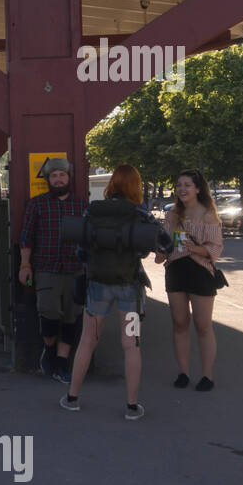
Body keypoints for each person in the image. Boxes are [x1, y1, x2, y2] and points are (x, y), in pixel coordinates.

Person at [60, 164, 171, 420]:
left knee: (87, 340)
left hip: (97, 285)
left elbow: (81, 250)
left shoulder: (93, 210)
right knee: (131, 345)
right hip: (129, 287)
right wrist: (153, 254)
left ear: (112, 184)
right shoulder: (140, 214)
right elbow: (164, 243)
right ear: (135, 186)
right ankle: (132, 407)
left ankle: (72, 397)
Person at [18, 157, 87, 383]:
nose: (58, 179)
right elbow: (26, 237)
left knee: (72, 317)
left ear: (69, 178)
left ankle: (61, 362)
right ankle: (48, 348)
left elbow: (89, 238)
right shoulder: (36, 204)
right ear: (48, 179)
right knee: (47, 312)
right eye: (54, 176)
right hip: (45, 268)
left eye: (62, 175)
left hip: (75, 269)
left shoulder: (82, 205)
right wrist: (25, 265)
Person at [155, 169, 223, 391]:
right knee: (180, 323)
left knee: (203, 326)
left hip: (200, 272)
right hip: (175, 270)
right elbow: (164, 245)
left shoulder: (207, 214)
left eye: (187, 185)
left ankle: (207, 376)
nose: (182, 189)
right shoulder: (172, 214)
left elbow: (216, 248)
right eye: (179, 185)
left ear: (197, 188)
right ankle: (183, 372)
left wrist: (197, 249)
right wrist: (159, 251)